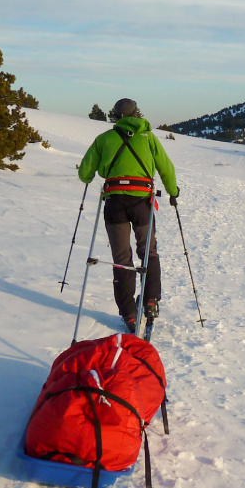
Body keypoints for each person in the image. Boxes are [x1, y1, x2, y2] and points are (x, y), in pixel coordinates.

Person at [78, 98, 179, 333]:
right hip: (142, 203)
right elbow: (166, 168)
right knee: (148, 252)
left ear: (115, 115)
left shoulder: (104, 139)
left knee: (122, 259)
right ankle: (151, 301)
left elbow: (85, 174)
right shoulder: (149, 137)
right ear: (137, 114)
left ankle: (129, 313)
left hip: (115, 204)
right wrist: (173, 192)